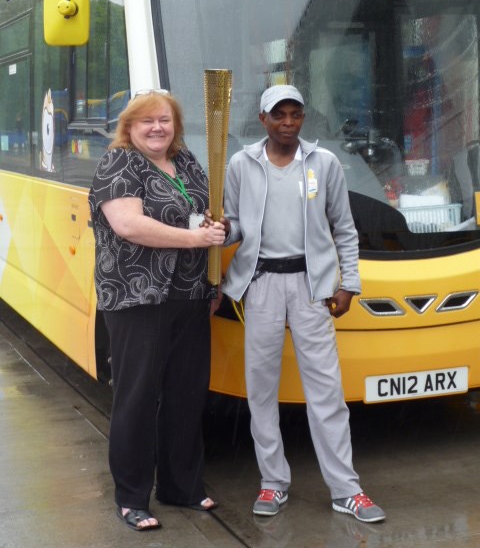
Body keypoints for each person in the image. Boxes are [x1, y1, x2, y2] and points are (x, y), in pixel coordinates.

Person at [220, 84, 386, 523]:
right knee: (261, 389)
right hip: (261, 285)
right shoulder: (241, 163)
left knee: (326, 391)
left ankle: (346, 490)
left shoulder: (324, 163)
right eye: (279, 115)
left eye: (295, 114)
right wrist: (222, 227)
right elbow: (236, 225)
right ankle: (273, 483)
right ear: (263, 119)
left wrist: (348, 283)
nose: (288, 122)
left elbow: (344, 229)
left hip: (312, 287)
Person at [88, 90, 226, 531]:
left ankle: (180, 486)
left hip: (188, 294)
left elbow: (207, 214)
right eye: (146, 121)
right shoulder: (119, 163)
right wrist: (198, 241)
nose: (157, 128)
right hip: (135, 299)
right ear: (129, 126)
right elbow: (128, 225)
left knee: (187, 394)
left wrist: (214, 272)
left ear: (175, 125)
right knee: (137, 398)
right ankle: (131, 498)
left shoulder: (185, 161)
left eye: (164, 120)